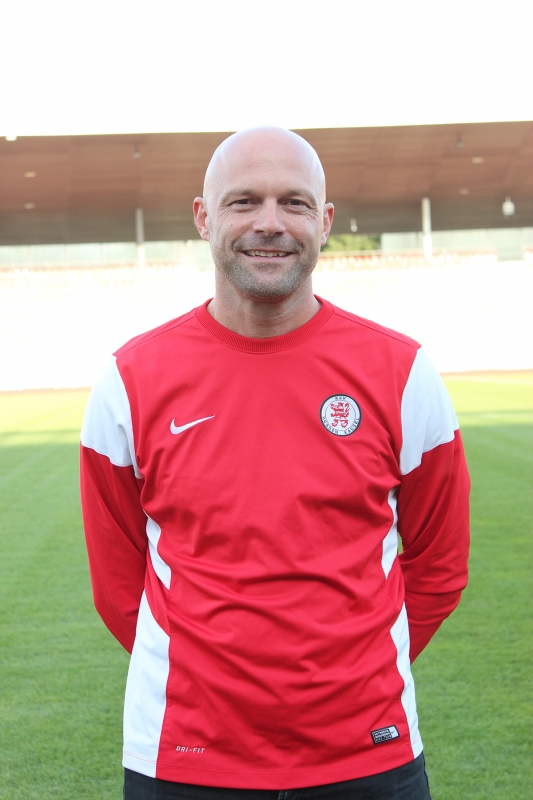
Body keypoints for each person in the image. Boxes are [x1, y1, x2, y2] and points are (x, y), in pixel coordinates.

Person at [80, 127, 469, 800]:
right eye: (244, 201)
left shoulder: (402, 372)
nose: (270, 223)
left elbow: (439, 564)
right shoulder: (130, 379)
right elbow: (118, 585)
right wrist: (211, 682)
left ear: (324, 221)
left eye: (293, 202)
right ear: (203, 217)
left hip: (367, 751)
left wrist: (351, 673)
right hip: (185, 755)